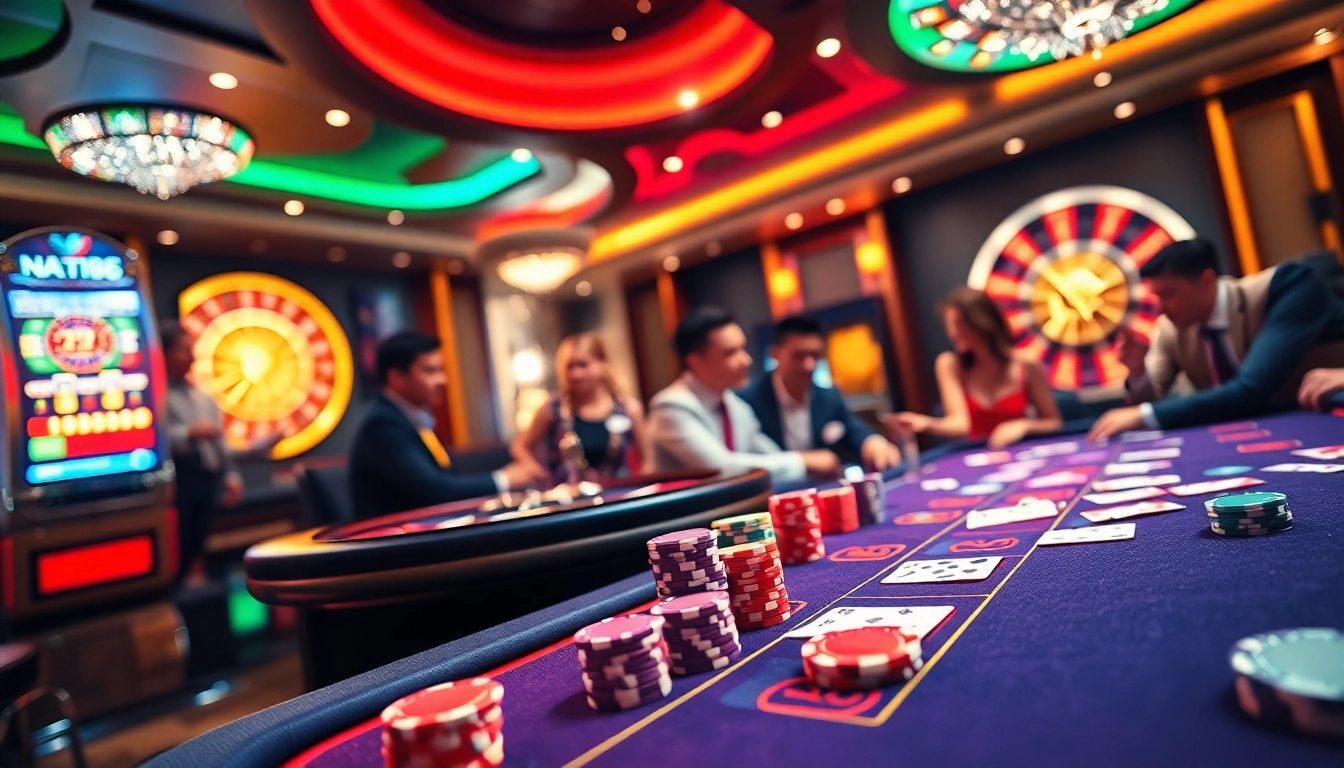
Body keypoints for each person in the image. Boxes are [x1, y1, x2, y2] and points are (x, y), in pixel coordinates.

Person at [1088, 239, 1344, 440]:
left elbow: (1250, 391)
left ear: (1206, 281)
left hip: (1322, 421)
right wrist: (1138, 372)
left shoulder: (1290, 284)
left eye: (1168, 293)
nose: (1160, 309)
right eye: (1156, 296)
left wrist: (1144, 415)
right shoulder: (1170, 328)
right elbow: (1150, 404)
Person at [351, 332, 546, 519]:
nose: (443, 380)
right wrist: (504, 480)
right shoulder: (382, 426)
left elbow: (447, 478)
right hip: (394, 546)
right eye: (430, 371)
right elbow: (435, 489)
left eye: (441, 370)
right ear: (396, 377)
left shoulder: (409, 419)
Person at [647, 307, 842, 485]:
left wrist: (808, 465)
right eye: (731, 353)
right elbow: (722, 469)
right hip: (685, 522)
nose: (746, 360)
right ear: (696, 362)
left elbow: (773, 458)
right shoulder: (671, 407)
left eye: (743, 348)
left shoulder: (735, 406)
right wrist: (803, 461)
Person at [882, 287, 1062, 449]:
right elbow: (961, 425)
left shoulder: (1026, 362)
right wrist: (925, 423)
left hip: (1019, 451)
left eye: (958, 324)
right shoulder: (949, 364)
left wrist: (1023, 426)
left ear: (981, 322)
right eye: (949, 325)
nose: (952, 333)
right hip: (975, 456)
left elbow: (1053, 422)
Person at [738, 314, 902, 471]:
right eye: (799, 356)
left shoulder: (829, 396)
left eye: (815, 356)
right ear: (775, 354)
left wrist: (873, 442)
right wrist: (805, 461)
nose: (809, 365)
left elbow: (852, 427)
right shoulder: (747, 401)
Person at [163, 322, 244, 582]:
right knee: (178, 550)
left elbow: (219, 442)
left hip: (206, 479)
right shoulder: (154, 395)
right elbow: (152, 439)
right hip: (177, 482)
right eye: (184, 349)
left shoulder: (202, 396)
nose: (192, 356)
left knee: (198, 544)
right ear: (164, 353)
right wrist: (189, 433)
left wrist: (230, 474)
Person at [510, 332, 650, 483]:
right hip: (569, 499)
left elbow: (648, 461)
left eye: (583, 365)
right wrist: (538, 472)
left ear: (603, 364)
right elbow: (520, 446)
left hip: (618, 496)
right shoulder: (554, 408)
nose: (575, 374)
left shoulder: (629, 409)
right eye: (570, 366)